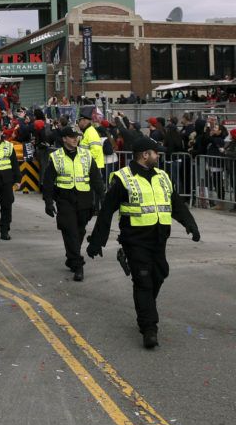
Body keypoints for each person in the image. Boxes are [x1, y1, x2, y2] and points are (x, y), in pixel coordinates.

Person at [87, 137, 200, 349]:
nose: (159, 156)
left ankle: (146, 307)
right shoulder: (123, 178)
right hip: (135, 240)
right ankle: (149, 328)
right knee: (144, 281)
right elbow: (106, 211)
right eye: (156, 152)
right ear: (145, 155)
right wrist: (97, 242)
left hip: (159, 238)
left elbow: (176, 204)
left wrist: (191, 225)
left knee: (159, 274)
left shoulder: (163, 176)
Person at [42, 126, 104, 281]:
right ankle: (78, 265)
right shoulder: (56, 157)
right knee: (70, 230)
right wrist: (48, 202)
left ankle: (71, 258)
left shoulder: (86, 155)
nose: (75, 139)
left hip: (84, 198)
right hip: (65, 198)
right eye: (71, 136)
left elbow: (96, 178)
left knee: (79, 231)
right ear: (64, 139)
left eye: (76, 136)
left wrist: (103, 197)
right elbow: (48, 182)